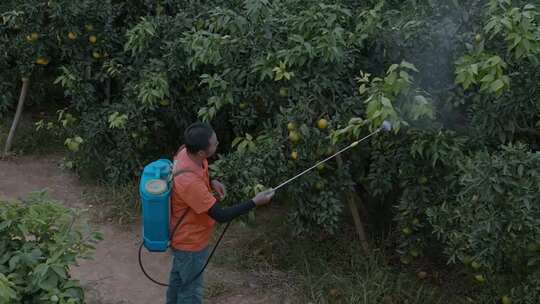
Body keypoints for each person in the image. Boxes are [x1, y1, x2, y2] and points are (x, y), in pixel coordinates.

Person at [166, 122, 275, 304]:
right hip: (190, 242)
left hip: (182, 238)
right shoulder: (189, 182)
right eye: (215, 143)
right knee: (191, 292)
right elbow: (221, 216)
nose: (218, 144)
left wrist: (210, 182)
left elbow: (199, 173)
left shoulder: (186, 152)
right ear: (202, 152)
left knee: (178, 283)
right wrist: (255, 202)